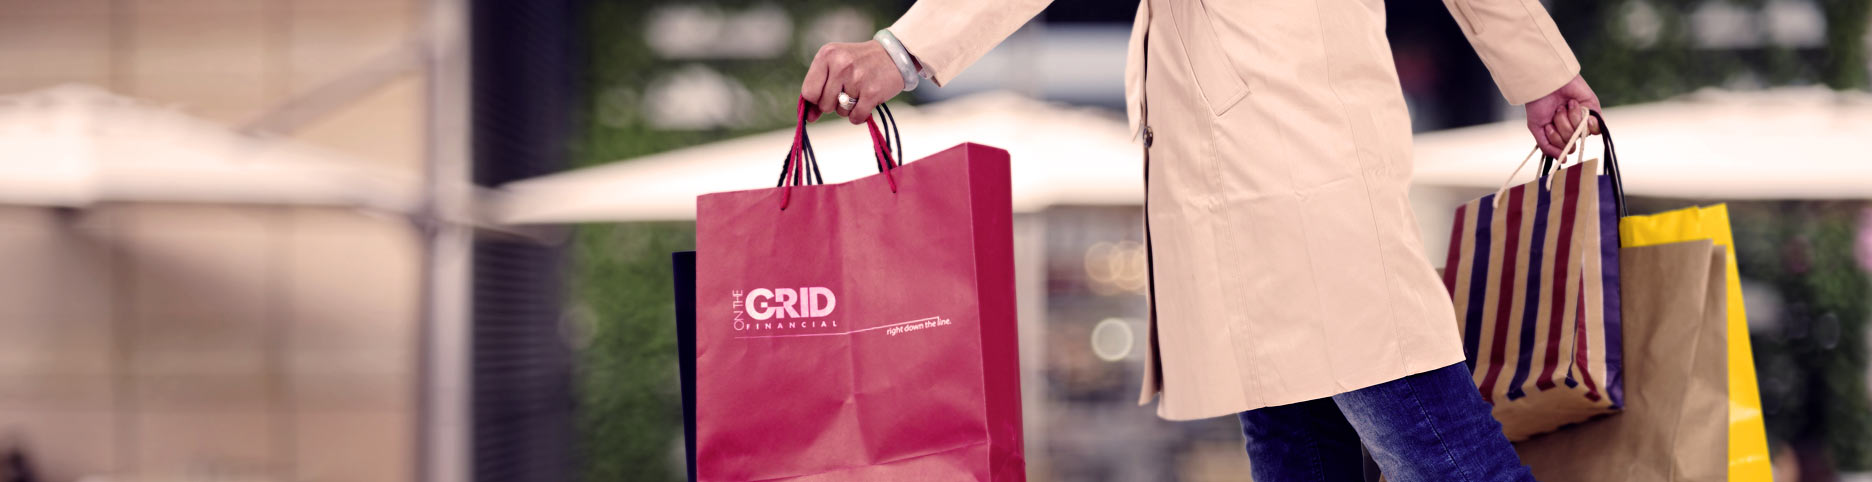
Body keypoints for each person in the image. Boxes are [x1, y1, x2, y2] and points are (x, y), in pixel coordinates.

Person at [802, 0, 1600, 479]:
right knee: (1314, 449)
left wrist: (903, 52)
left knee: (1437, 450)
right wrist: (1537, 68)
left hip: (1278, 155)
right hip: (1265, 157)